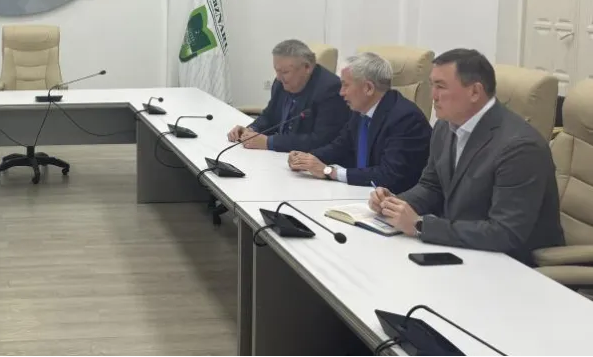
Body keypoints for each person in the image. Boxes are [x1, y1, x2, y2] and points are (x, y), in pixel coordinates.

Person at [370, 49, 564, 265]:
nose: (433, 95)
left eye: (441, 86)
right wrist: (395, 203)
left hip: (511, 264)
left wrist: (420, 225)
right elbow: (432, 186)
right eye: (432, 85)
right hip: (461, 248)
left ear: (474, 92)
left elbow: (505, 233)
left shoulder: (520, 147)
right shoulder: (444, 127)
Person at [288, 52, 431, 192]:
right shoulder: (360, 111)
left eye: (345, 85)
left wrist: (330, 172)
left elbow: (389, 175)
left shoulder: (405, 118)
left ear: (368, 88)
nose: (341, 92)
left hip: (395, 199)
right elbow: (339, 147)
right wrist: (306, 158)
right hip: (361, 193)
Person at [227, 39, 350, 152]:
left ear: (307, 67)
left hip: (310, 161)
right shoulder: (281, 83)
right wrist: (251, 130)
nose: (278, 77)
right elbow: (269, 116)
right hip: (277, 157)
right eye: (277, 71)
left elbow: (320, 140)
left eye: (285, 72)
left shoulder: (330, 89)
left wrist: (269, 142)